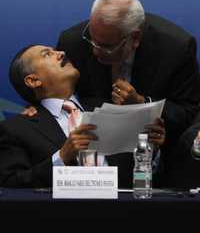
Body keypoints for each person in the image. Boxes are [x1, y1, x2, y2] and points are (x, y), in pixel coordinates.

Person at [56, 0, 200, 187]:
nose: (95, 51)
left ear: (135, 38)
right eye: (92, 40)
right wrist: (36, 106)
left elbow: (190, 112)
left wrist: (143, 103)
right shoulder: (73, 41)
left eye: (106, 46)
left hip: (151, 166)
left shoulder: (176, 47)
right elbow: (56, 94)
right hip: (89, 169)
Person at [0, 45, 165, 188]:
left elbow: (141, 176)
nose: (62, 52)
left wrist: (150, 148)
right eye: (47, 54)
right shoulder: (16, 129)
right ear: (33, 80)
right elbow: (11, 182)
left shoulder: (113, 109)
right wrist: (61, 158)